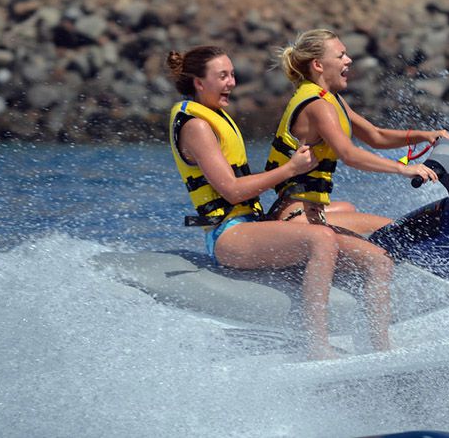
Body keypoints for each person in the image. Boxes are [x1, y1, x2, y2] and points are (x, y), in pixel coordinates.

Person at [166, 45, 394, 360]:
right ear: (199, 83)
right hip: (228, 235)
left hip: (252, 225)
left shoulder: (214, 116)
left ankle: (377, 346)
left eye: (232, 74)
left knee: (347, 216)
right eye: (222, 76)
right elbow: (232, 191)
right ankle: (317, 347)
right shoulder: (197, 126)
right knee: (322, 239)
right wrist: (290, 170)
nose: (232, 82)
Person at [266, 29, 449, 235]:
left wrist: (424, 136)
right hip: (297, 214)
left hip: (308, 209)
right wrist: (404, 169)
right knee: (396, 231)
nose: (349, 59)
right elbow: (349, 155)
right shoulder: (318, 105)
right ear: (318, 65)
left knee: (349, 209)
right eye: (340, 56)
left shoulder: (331, 99)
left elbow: (375, 135)